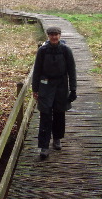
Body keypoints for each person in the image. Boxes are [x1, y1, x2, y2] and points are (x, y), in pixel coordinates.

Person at [32, 26, 77, 160]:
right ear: (48, 36)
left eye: (56, 34)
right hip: (45, 85)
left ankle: (57, 138)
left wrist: (73, 89)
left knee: (59, 113)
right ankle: (44, 146)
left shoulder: (66, 50)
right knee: (45, 114)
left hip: (61, 85)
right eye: (51, 35)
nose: (54, 37)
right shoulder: (42, 51)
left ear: (60, 35)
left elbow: (72, 70)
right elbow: (37, 71)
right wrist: (35, 89)